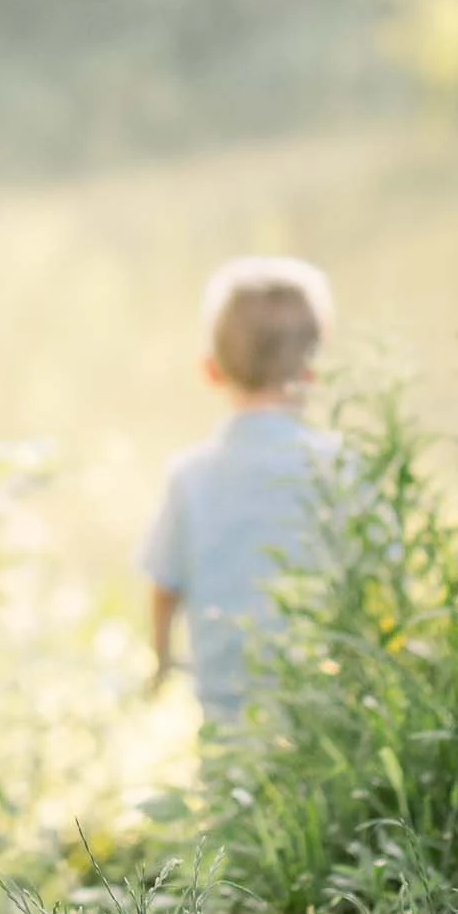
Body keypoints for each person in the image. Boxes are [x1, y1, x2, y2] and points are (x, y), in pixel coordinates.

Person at [141, 256, 346, 726]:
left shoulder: (189, 476)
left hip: (224, 702)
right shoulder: (340, 468)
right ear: (314, 371)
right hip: (325, 701)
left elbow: (163, 587)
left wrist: (161, 662)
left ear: (211, 370)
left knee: (228, 786)